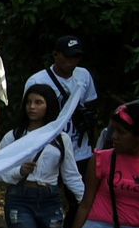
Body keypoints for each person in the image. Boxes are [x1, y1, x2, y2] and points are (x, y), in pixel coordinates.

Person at [0, 84, 85, 228]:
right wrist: (20, 171)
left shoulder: (60, 138)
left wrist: (87, 203)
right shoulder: (14, 136)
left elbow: (71, 175)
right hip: (20, 199)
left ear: (49, 106)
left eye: (38, 102)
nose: (32, 107)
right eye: (29, 102)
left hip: (50, 201)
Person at [24, 35, 98, 176]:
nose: (71, 61)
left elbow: (91, 107)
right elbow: (29, 115)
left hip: (80, 150)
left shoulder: (84, 75)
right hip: (50, 149)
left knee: (78, 193)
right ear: (56, 55)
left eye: (76, 56)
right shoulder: (37, 80)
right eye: (67, 56)